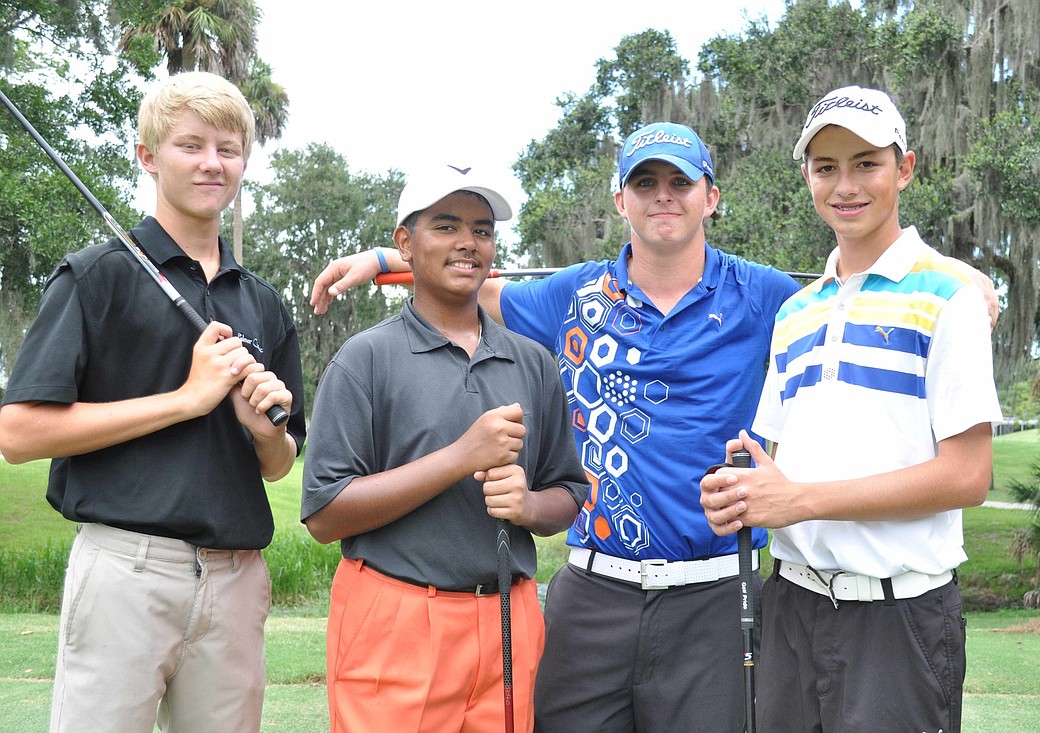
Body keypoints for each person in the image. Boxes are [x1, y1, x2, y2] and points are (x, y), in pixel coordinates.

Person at [310, 123, 797, 732]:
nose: (663, 196)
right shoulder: (575, 293)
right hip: (594, 594)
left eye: (681, 181)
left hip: (716, 594)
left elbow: (843, 318)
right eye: (645, 182)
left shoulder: (768, 295)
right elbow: (468, 282)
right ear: (621, 199)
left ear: (712, 197)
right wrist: (386, 259)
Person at [0, 71, 306, 733]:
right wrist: (185, 399)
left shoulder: (262, 301)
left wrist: (264, 433)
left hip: (235, 577)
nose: (211, 162)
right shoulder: (96, 276)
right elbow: (19, 431)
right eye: (190, 145)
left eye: (227, 148)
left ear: (244, 162)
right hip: (125, 569)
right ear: (148, 155)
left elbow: (280, 464)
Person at [699, 85, 1003, 733]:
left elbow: (967, 476)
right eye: (826, 166)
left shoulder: (950, 296)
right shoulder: (796, 313)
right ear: (806, 175)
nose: (846, 184)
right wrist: (745, 495)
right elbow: (780, 468)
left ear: (906, 168)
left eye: (866, 162)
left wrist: (798, 500)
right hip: (792, 608)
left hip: (899, 619)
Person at [301, 163, 589, 733]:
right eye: (446, 225)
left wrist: (530, 507)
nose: (467, 243)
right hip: (396, 618)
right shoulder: (365, 360)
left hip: (510, 617)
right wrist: (461, 457)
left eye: (482, 230)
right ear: (404, 244)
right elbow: (325, 514)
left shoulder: (532, 360)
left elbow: (570, 492)